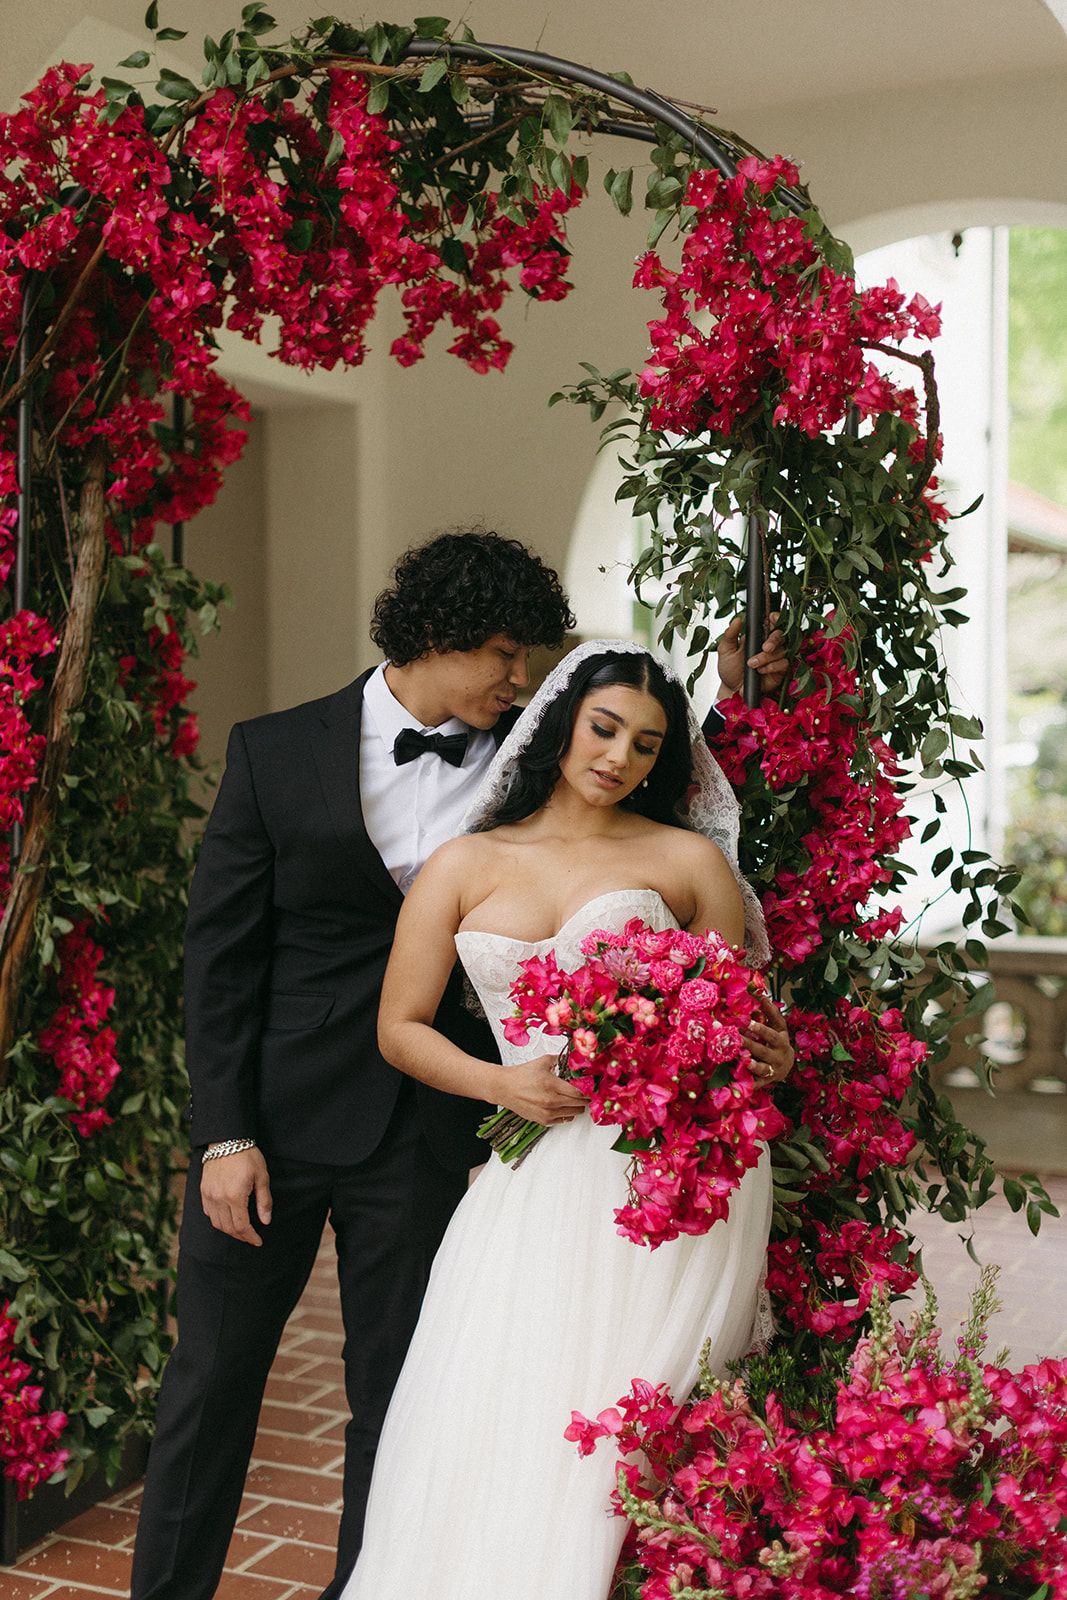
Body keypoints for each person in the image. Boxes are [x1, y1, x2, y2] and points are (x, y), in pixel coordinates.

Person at [129, 521, 790, 1600]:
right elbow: (219, 962)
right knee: (208, 1384)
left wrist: (727, 689)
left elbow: (649, 769)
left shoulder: (536, 757)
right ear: (440, 636)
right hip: (278, 1125)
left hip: (442, 1136)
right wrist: (224, 1132)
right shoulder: (275, 750)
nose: (520, 678)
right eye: (506, 655)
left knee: (403, 1400)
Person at [340, 641, 792, 1600]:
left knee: (644, 1397)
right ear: (557, 725)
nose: (619, 755)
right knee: (511, 1387)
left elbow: (740, 1016)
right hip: (533, 1160)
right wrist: (500, 1088)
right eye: (604, 727)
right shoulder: (463, 863)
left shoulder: (686, 858)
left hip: (667, 1175)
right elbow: (398, 1027)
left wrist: (770, 1050)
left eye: (645, 743)